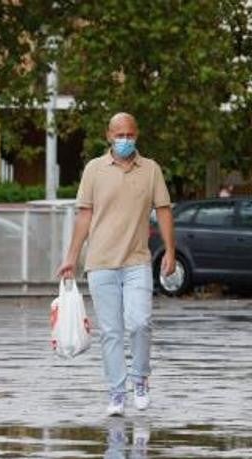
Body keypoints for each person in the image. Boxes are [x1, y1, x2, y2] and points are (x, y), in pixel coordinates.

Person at [57, 113, 176, 417]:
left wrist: (171, 252)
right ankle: (116, 392)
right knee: (111, 331)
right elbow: (84, 216)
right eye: (119, 134)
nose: (125, 140)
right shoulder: (94, 170)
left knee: (139, 323)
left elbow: (163, 211)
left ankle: (140, 378)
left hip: (137, 261)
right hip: (101, 264)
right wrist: (71, 257)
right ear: (108, 136)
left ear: (137, 135)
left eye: (130, 134)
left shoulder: (150, 170)